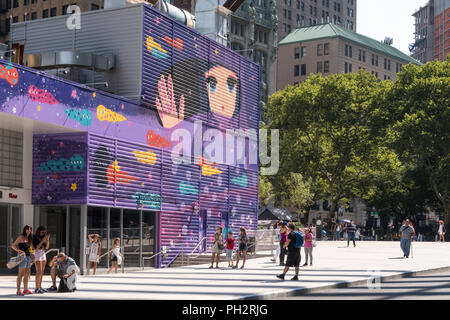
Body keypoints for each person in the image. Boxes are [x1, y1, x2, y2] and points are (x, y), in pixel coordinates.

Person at [11, 225, 34, 296]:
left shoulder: (30, 238)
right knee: (21, 274)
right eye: (27, 229)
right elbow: (13, 245)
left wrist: (32, 254)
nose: (29, 230)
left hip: (28, 257)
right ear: (25, 230)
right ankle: (18, 290)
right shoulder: (21, 237)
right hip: (22, 257)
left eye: (30, 229)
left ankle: (25, 289)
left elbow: (30, 248)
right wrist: (19, 251)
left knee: (27, 274)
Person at [32, 226, 50, 294]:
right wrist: (42, 241)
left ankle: (40, 286)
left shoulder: (43, 237)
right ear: (39, 231)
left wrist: (47, 240)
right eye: (42, 232)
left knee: (42, 271)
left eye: (44, 232)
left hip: (43, 253)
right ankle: (37, 287)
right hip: (37, 253)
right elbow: (37, 247)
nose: (43, 234)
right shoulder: (35, 237)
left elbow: (47, 247)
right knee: (38, 271)